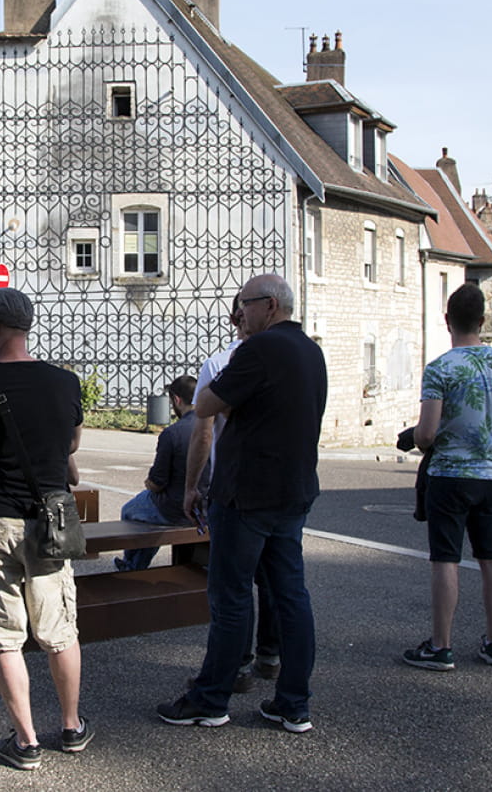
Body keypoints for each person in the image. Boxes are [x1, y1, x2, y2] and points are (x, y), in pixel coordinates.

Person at [158, 273, 326, 735]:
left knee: (230, 597)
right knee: (291, 597)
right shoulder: (311, 351)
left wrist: (231, 401)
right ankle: (293, 703)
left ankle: (211, 698)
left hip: (246, 493)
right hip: (293, 492)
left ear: (269, 305)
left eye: (244, 305)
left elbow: (205, 403)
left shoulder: (258, 350)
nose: (238, 314)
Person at [0, 288, 92, 770]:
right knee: (59, 628)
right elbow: (71, 444)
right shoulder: (66, 383)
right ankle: (71, 726)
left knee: (4, 633)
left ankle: (27, 740)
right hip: (50, 520)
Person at [403, 283, 492, 671]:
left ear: (448, 321)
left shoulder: (441, 368)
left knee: (446, 559)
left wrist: (413, 438)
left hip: (449, 475)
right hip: (491, 475)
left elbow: (427, 434)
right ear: (482, 321)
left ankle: (441, 646)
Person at [186, 300, 281, 686]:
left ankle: (237, 664)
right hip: (279, 483)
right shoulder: (288, 356)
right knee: (274, 578)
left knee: (232, 582)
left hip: (233, 482)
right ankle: (271, 655)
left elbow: (203, 430)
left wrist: (192, 486)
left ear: (235, 319)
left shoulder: (218, 364)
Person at [115, 375, 201, 571]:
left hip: (176, 508)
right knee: (148, 515)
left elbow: (158, 482)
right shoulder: (214, 427)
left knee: (131, 511)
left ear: (176, 400)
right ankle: (134, 565)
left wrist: (148, 483)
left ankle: (133, 566)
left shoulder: (172, 433)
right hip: (206, 507)